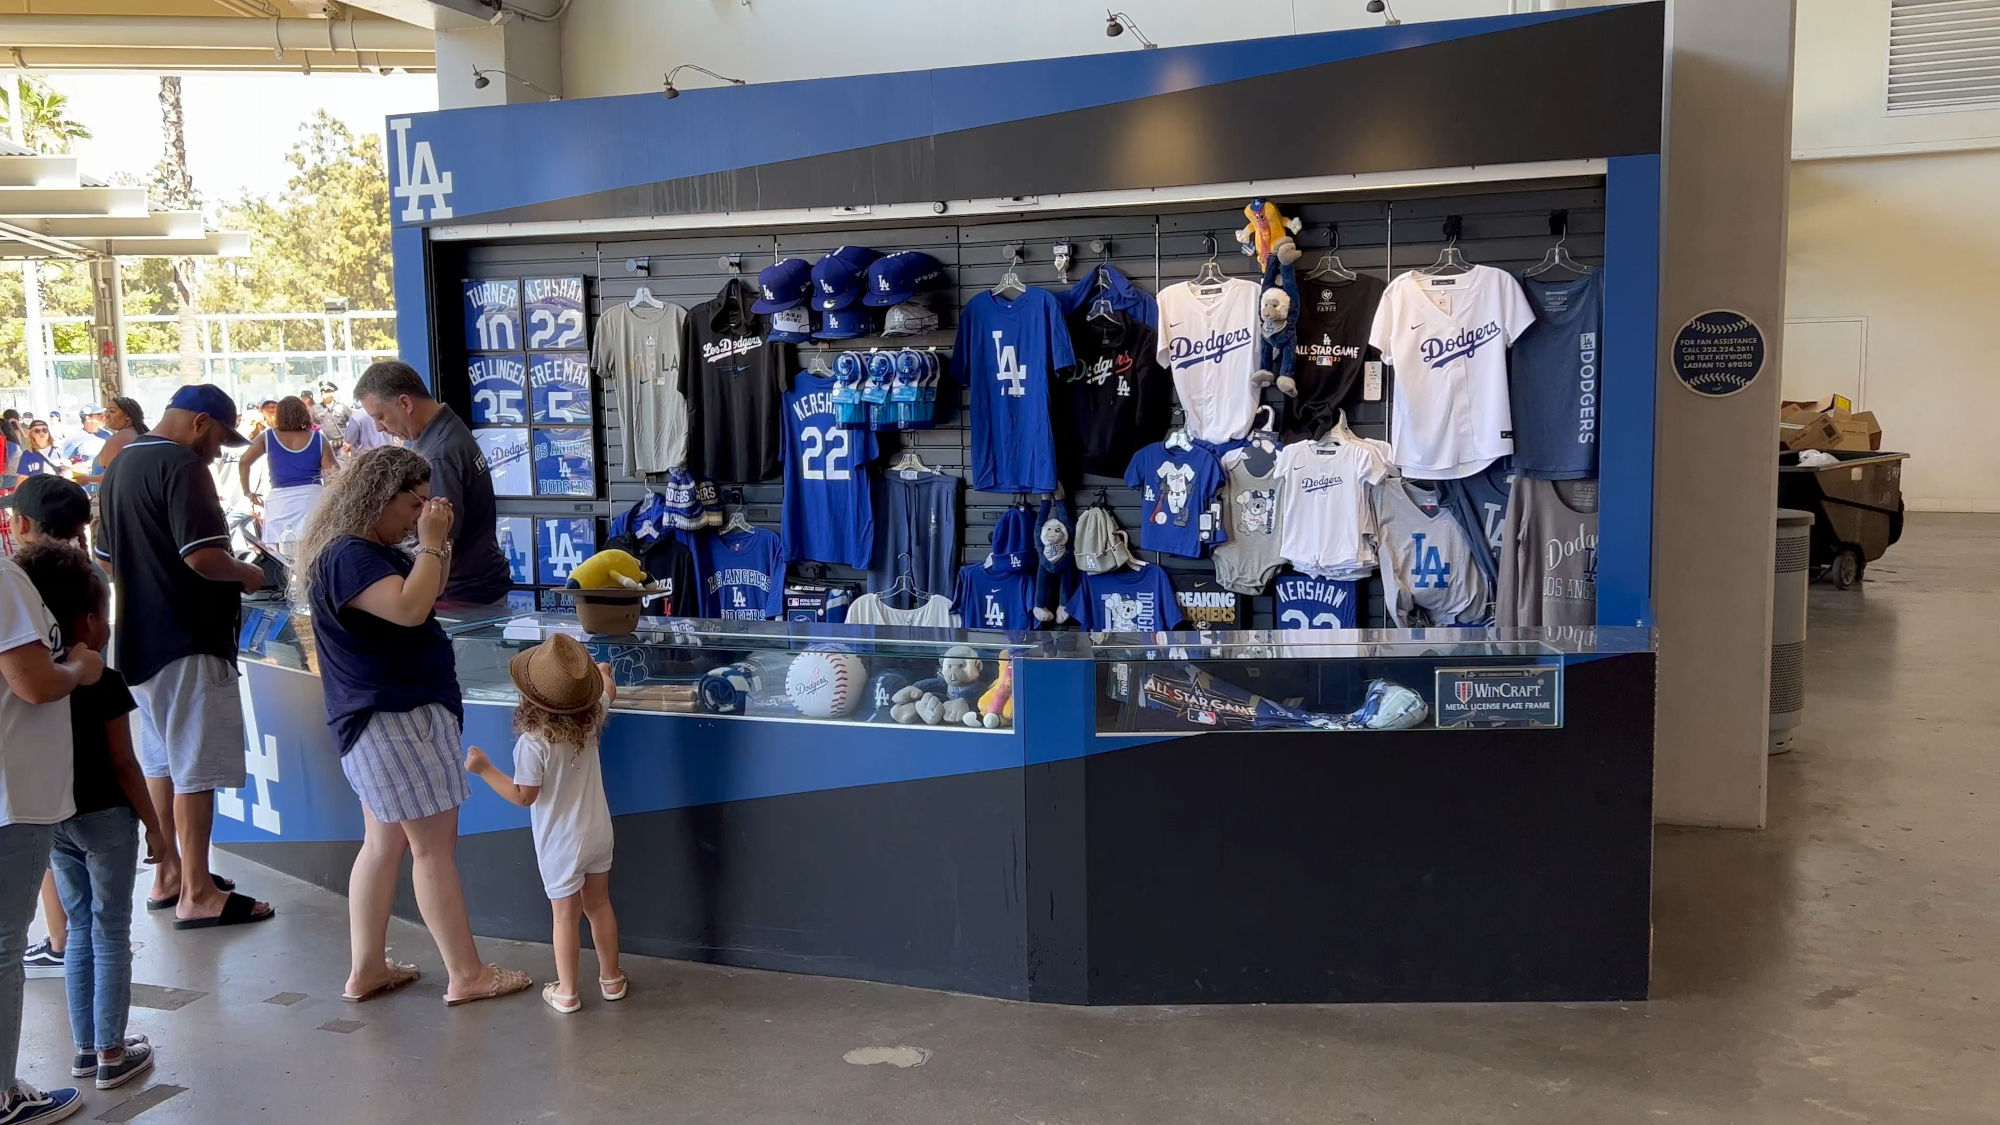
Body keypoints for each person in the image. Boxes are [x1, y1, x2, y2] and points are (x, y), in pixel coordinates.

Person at [291, 445, 530, 1007]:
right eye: (412, 503)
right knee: (432, 848)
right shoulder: (350, 555)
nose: (417, 514)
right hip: (395, 717)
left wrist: (435, 540)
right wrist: (430, 540)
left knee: (385, 842)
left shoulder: (358, 551)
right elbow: (409, 609)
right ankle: (466, 973)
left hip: (380, 716)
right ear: (378, 496)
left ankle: (367, 968)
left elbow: (428, 589)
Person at [95, 384, 272, 930]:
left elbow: (104, 557)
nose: (218, 452)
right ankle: (198, 890)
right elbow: (203, 558)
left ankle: (169, 872)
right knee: (195, 767)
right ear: (199, 423)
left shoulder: (119, 464)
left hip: (138, 642)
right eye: (219, 439)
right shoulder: (182, 467)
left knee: (163, 762)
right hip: (189, 637)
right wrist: (248, 573)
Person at [16, 540, 169, 1094]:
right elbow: (126, 765)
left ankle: (84, 1048)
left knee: (77, 927)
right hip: (108, 820)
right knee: (111, 929)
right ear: (88, 619)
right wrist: (156, 827)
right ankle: (111, 1051)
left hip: (58, 815)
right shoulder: (100, 678)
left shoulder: (33, 676)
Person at [0, 516, 104, 1125]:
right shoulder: (6, 581)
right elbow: (34, 682)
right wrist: (80, 669)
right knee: (4, 946)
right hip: (14, 793)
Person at [464, 635, 626, 1015]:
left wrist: (484, 769)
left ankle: (567, 991)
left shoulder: (533, 743)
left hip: (560, 844)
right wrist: (602, 674)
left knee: (565, 917)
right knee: (600, 905)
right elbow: (609, 692)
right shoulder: (592, 719)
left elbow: (524, 796)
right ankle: (612, 979)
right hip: (598, 833)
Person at [3, 476, 92, 986]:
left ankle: (61, 940)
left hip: (42, 779)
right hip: (30, 780)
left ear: (23, 524)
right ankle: (63, 940)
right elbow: (36, 684)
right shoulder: (23, 580)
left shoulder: (22, 577)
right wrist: (81, 670)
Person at [352, 361, 511, 607]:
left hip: (461, 595)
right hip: (475, 586)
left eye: (380, 416)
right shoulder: (446, 429)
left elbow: (439, 539)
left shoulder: (438, 454)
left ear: (405, 403)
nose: (378, 427)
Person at [235, 397, 333, 557]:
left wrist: (248, 492)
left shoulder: (267, 437)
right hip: (312, 500)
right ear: (304, 413)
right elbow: (333, 474)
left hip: (280, 502)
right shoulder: (318, 439)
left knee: (280, 557)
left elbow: (244, 462)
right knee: (315, 552)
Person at [72, 399, 148, 489]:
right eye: (106, 411)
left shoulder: (121, 438)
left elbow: (115, 475)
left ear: (128, 416)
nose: (106, 415)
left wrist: (86, 479)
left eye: (112, 411)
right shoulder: (138, 435)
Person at [57, 408, 105, 475]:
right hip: (86, 476)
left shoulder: (108, 434)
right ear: (88, 418)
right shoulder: (76, 436)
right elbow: (64, 457)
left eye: (103, 414)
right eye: (99, 414)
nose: (103, 417)